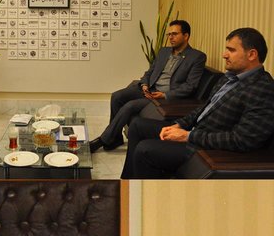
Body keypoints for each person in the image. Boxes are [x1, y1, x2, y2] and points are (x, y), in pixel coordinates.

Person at [121, 27, 274, 179]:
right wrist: (179, 125)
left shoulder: (262, 89)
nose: (224, 55)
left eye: (231, 50)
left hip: (209, 147)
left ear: (252, 54)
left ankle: (147, 192)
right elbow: (204, 108)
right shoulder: (229, 78)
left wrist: (189, 136)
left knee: (145, 150)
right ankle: (128, 182)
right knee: (137, 125)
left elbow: (243, 140)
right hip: (195, 132)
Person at [90, 20, 206, 153]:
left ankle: (103, 140)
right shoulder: (164, 52)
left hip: (163, 98)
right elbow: (150, 72)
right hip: (149, 89)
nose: (170, 37)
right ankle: (115, 138)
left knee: (130, 106)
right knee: (117, 96)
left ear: (186, 36)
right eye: (169, 34)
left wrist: (165, 95)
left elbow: (190, 86)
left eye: (174, 34)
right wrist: (144, 84)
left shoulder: (197, 57)